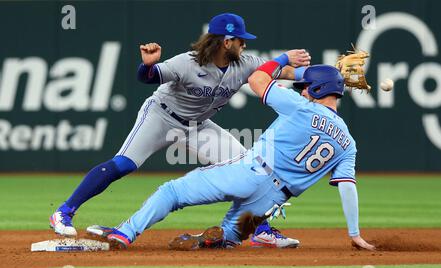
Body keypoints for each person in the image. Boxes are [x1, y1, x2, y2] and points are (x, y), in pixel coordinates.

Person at [49, 12, 311, 248]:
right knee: (124, 164)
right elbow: (148, 78)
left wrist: (329, 74)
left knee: (252, 170)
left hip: (199, 125)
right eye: (241, 40)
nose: (245, 44)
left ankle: (259, 230)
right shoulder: (188, 63)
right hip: (162, 116)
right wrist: (148, 64)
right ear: (226, 41)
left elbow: (288, 73)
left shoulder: (245, 64)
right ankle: (64, 211)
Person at [86, 56, 376, 251]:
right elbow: (347, 188)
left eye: (305, 87)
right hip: (272, 200)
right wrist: (354, 233)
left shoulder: (301, 106)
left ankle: (125, 233)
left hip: (251, 172)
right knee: (229, 238)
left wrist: (286, 62)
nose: (301, 91)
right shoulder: (348, 143)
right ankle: (207, 241)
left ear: (317, 88)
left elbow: (257, 80)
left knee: (171, 193)